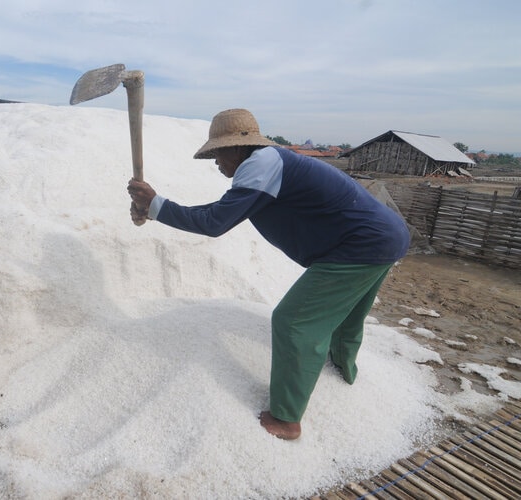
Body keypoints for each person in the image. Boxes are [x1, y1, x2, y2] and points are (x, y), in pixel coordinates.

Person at [127, 109, 410, 440]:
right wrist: (156, 208)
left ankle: (286, 419)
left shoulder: (259, 165)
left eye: (218, 152)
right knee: (346, 316)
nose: (216, 162)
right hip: (385, 236)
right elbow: (218, 211)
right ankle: (344, 369)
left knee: (294, 321)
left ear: (236, 148)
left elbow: (214, 223)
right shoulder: (271, 163)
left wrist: (156, 204)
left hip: (359, 246)